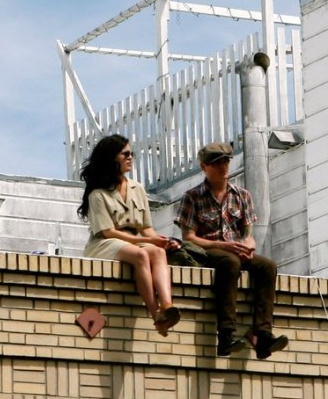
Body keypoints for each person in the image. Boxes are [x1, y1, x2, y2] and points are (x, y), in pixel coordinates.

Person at [175, 142, 288, 359]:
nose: (223, 167)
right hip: (207, 251)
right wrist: (224, 245)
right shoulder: (193, 196)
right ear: (204, 167)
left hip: (235, 250)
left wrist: (249, 245)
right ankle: (225, 335)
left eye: (226, 161)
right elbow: (188, 238)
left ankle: (262, 335)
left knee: (267, 267)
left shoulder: (242, 195)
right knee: (230, 263)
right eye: (216, 163)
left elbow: (248, 233)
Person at [78, 134, 182, 335]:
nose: (130, 157)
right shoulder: (97, 194)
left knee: (158, 253)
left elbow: (146, 227)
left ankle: (167, 306)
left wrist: (161, 240)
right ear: (111, 158)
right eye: (125, 154)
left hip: (133, 241)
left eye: (131, 153)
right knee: (141, 255)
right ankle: (155, 315)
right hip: (104, 244)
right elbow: (108, 232)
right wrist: (147, 240)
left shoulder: (137, 188)